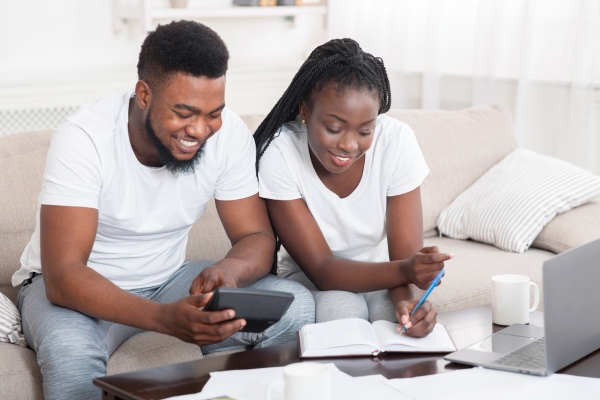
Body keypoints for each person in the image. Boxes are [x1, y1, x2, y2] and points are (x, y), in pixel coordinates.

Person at [12, 21, 314, 400]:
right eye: (185, 112)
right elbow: (64, 275)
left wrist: (228, 270)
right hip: (76, 291)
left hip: (167, 280)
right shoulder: (84, 139)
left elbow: (255, 237)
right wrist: (164, 319)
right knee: (71, 354)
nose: (201, 129)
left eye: (213, 113)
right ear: (143, 94)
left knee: (295, 306)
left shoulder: (230, 135)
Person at [255, 38, 452, 337]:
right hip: (313, 278)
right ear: (305, 111)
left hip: (385, 275)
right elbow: (322, 269)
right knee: (344, 313)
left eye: (365, 131)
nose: (348, 145)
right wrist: (407, 270)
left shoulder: (396, 142)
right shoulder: (279, 153)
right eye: (333, 129)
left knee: (399, 324)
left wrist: (410, 303)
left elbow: (404, 257)